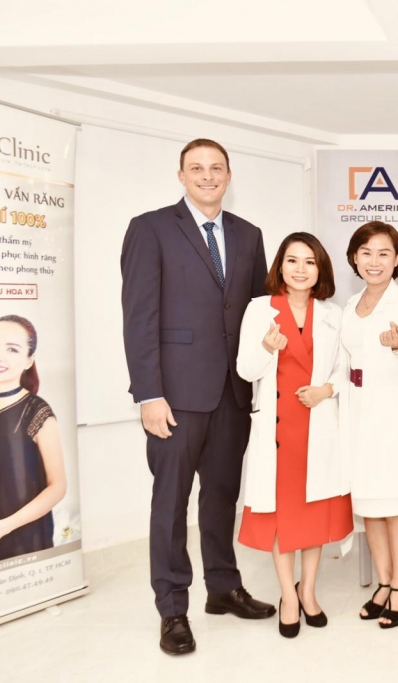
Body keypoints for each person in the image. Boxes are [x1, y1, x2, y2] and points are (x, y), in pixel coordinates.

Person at [120, 139, 274, 656]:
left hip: (233, 392)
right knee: (170, 503)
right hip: (175, 396)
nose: (208, 176)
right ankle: (172, 609)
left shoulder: (249, 234)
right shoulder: (151, 228)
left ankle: (223, 588)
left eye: (216, 168)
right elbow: (139, 316)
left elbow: (256, 313)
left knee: (222, 496)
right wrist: (149, 393)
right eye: (197, 168)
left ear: (229, 175)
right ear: (181, 176)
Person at [236, 232, 353, 638]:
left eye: (309, 262)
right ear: (280, 266)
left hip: (316, 421)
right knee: (280, 514)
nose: (300, 269)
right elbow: (245, 370)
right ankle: (289, 595)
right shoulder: (259, 310)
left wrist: (327, 390)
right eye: (292, 260)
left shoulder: (333, 314)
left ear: (320, 269)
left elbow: (346, 368)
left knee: (313, 510)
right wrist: (267, 348)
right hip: (278, 427)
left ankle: (309, 591)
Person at [341, 221, 398, 629]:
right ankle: (382, 581)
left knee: (394, 506)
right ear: (354, 258)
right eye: (366, 253)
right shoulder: (350, 305)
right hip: (357, 414)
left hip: (392, 414)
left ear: (397, 259)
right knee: (369, 507)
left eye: (383, 253)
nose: (374, 261)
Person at [0, 315, 67, 561]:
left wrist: (1, 527)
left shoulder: (37, 411)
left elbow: (58, 487)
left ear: (28, 360)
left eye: (12, 349)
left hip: (23, 540)